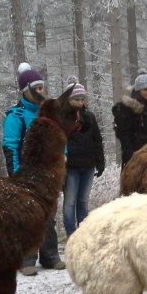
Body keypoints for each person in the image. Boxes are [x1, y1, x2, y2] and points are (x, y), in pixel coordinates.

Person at [2, 62, 65, 276]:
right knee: (28, 216)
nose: (40, 92)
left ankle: (51, 256)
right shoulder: (16, 116)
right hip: (26, 175)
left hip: (48, 174)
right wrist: (16, 174)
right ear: (25, 91)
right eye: (35, 89)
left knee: (49, 214)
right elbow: (10, 146)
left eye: (41, 88)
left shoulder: (46, 113)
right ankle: (26, 259)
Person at [62, 76, 105, 237]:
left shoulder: (89, 117)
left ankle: (83, 234)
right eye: (76, 99)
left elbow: (97, 140)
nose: (80, 103)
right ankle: (71, 234)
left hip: (88, 165)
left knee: (83, 201)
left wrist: (100, 162)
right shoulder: (62, 118)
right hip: (70, 167)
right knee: (69, 202)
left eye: (82, 99)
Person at [112, 68, 147, 167]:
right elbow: (124, 134)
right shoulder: (127, 108)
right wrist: (131, 156)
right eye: (145, 89)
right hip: (135, 155)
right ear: (138, 90)